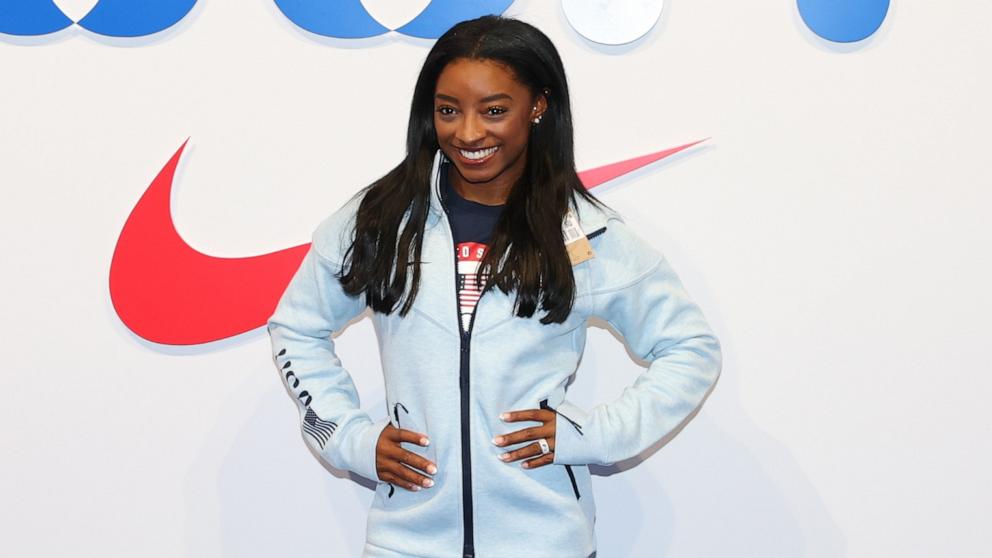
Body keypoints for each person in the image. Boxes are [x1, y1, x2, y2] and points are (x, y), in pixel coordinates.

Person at [267, 14, 722, 558]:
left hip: (545, 541)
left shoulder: (585, 234)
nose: (468, 133)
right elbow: (296, 326)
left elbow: (691, 349)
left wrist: (594, 434)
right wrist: (348, 437)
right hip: (406, 541)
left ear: (538, 106)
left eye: (494, 110)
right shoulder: (380, 220)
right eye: (448, 110)